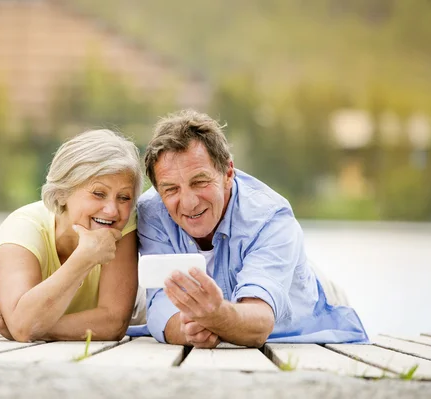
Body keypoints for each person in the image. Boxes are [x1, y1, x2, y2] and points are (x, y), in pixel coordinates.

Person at [127, 109, 369, 348]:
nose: (189, 202)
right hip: (227, 306)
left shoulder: (271, 218)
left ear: (228, 173)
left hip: (304, 305)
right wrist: (189, 330)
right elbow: (160, 304)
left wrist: (217, 317)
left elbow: (259, 323)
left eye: (199, 182)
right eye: (171, 189)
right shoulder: (152, 212)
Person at [0, 129, 144, 342]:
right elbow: (24, 326)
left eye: (124, 197)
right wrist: (85, 258)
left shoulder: (120, 226)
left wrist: (27, 326)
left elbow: (114, 323)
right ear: (62, 193)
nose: (112, 210)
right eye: (98, 193)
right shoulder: (22, 229)